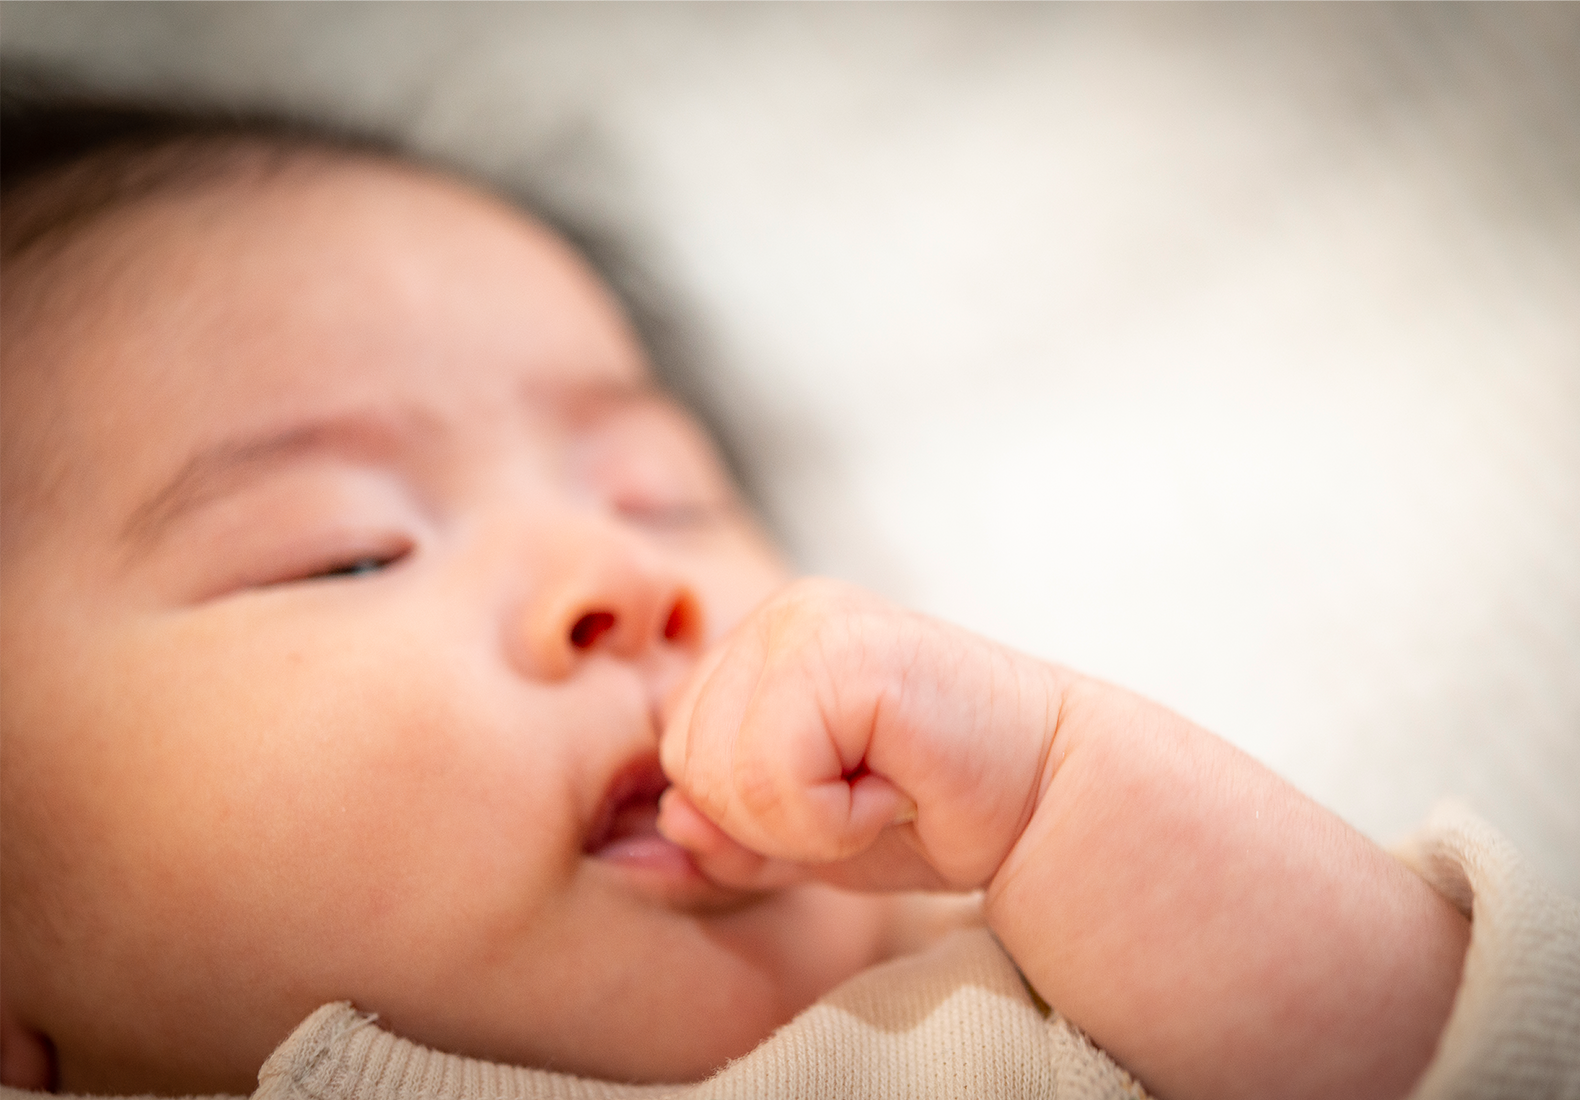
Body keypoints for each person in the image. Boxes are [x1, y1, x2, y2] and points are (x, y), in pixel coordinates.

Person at [0, 95, 1574, 1100]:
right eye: (348, 550)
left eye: (658, 496)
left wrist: (1058, 801)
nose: (621, 578)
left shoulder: (1017, 994)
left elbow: (1474, 1060)